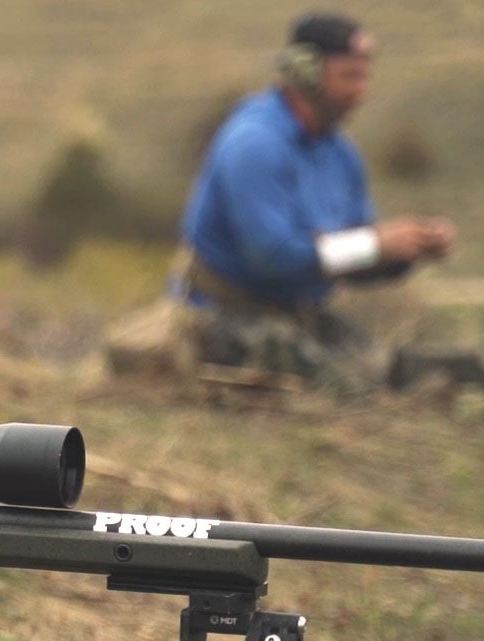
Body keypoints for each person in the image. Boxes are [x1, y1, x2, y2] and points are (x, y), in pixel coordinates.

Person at [172, 11, 456, 391]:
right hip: (225, 316)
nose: (361, 92)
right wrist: (374, 244)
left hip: (297, 315)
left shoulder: (340, 154)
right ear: (306, 73)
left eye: (365, 77)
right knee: (350, 390)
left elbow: (350, 258)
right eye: (349, 77)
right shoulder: (255, 143)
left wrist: (402, 250)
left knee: (398, 376)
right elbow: (272, 257)